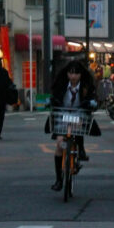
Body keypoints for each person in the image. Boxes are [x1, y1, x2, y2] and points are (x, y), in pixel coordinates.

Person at [47, 60, 97, 191]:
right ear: (67, 74)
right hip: (63, 113)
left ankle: (80, 148)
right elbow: (54, 96)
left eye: (76, 74)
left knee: (78, 126)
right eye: (71, 73)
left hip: (79, 113)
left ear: (81, 75)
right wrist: (52, 101)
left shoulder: (86, 86)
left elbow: (92, 98)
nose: (73, 76)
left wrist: (91, 103)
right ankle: (59, 179)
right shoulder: (61, 84)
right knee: (59, 144)